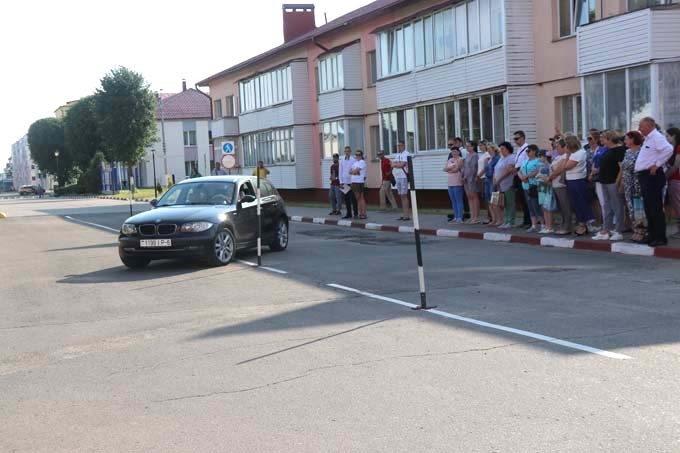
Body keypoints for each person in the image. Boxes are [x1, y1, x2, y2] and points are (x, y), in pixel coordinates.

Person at [635, 117, 674, 246]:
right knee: (649, 207)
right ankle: (652, 235)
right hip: (645, 175)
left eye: (641, 126)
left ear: (649, 126)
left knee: (655, 207)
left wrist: (657, 164)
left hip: (652, 175)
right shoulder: (648, 138)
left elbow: (669, 149)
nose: (639, 129)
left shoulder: (656, 136)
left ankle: (660, 237)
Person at [592, 130, 626, 241]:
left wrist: (617, 182)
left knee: (617, 206)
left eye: (603, 138)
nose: (601, 140)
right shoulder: (607, 150)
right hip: (604, 181)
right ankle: (606, 229)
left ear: (610, 139)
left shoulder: (619, 150)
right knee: (606, 206)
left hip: (613, 181)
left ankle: (618, 230)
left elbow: (621, 168)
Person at [563, 135, 595, 235]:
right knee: (576, 204)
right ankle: (582, 223)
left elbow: (566, 166)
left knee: (581, 203)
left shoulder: (579, 153)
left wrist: (567, 155)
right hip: (571, 180)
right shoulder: (575, 153)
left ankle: (585, 223)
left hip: (577, 180)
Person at [619, 131, 645, 242]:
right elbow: (624, 168)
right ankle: (635, 229)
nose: (624, 141)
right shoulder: (628, 152)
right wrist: (622, 183)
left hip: (638, 184)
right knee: (630, 208)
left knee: (640, 208)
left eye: (626, 139)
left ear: (633, 139)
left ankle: (642, 231)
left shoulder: (642, 151)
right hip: (628, 184)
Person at [547, 139, 574, 235]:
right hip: (555, 184)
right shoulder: (557, 157)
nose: (556, 148)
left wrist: (550, 178)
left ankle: (567, 227)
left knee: (565, 206)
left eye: (558, 147)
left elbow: (559, 169)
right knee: (561, 207)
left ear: (563, 147)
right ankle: (563, 225)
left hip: (561, 184)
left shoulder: (565, 156)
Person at [518, 145, 543, 232]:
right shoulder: (525, 161)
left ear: (534, 151)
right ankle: (533, 225)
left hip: (533, 185)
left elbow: (537, 171)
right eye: (527, 151)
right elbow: (519, 171)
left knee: (536, 205)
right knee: (530, 206)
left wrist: (527, 176)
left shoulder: (538, 161)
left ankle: (542, 224)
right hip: (525, 186)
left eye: (529, 151)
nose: (527, 152)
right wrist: (522, 177)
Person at [493, 142, 517, 229]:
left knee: (510, 203)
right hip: (500, 184)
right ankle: (506, 220)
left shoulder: (511, 158)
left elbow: (508, 171)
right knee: (504, 203)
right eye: (500, 149)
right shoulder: (501, 158)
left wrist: (498, 180)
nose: (501, 150)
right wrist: (495, 180)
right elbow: (496, 170)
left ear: (507, 148)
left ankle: (511, 221)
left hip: (508, 183)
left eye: (502, 148)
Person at [513, 130, 531, 227]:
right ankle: (525, 220)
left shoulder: (526, 149)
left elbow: (527, 163)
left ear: (523, 138)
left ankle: (529, 221)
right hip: (518, 174)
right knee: (521, 199)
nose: (515, 141)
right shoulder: (520, 149)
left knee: (526, 199)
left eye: (517, 138)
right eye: (514, 139)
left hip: (523, 174)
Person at [536, 150, 556, 234]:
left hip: (546, 189)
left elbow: (549, 181)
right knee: (544, 208)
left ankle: (550, 226)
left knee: (548, 208)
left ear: (544, 157)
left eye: (540, 156)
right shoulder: (542, 166)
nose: (539, 158)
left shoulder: (548, 166)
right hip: (541, 189)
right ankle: (547, 226)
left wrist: (540, 176)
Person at [443, 147, 465, 223]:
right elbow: (444, 169)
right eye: (452, 152)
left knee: (459, 200)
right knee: (453, 201)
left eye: (455, 151)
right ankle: (455, 216)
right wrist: (451, 168)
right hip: (450, 183)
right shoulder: (450, 160)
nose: (454, 153)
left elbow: (456, 169)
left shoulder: (461, 159)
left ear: (458, 152)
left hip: (457, 182)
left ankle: (460, 217)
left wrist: (449, 169)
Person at [666, 127, 680, 239]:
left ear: (674, 136)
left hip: (676, 179)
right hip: (674, 179)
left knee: (677, 204)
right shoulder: (673, 148)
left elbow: (676, 165)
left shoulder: (678, 147)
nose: (666, 138)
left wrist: (665, 176)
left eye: (668, 135)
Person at [391, 141, 411, 221]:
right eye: (397, 146)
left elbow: (402, 165)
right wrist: (397, 164)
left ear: (403, 145)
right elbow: (392, 164)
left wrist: (397, 164)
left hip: (403, 177)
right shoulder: (397, 155)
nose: (398, 147)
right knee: (401, 196)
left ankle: (406, 215)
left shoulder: (406, 154)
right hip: (398, 177)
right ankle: (404, 214)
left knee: (404, 195)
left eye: (400, 145)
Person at [463, 140, 481, 224]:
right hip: (466, 179)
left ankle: (476, 217)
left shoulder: (475, 155)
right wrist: (463, 176)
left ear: (473, 146)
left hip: (472, 179)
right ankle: (472, 216)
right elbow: (465, 167)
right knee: (469, 197)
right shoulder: (467, 155)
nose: (467, 147)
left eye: (468, 146)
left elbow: (473, 168)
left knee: (474, 197)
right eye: (466, 146)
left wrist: (467, 177)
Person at [484, 143, 501, 225]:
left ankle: (499, 220)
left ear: (494, 149)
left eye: (489, 148)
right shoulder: (488, 159)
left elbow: (495, 170)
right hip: (487, 181)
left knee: (494, 201)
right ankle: (493, 219)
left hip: (493, 180)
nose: (488, 150)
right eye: (487, 148)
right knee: (489, 201)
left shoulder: (497, 158)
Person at [340, 146, 358, 219]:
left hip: (352, 182)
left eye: (348, 151)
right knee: (346, 198)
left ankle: (356, 213)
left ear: (350, 152)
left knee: (353, 198)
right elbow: (340, 172)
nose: (347, 152)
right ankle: (348, 213)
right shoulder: (341, 160)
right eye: (345, 151)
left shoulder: (353, 160)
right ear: (344, 152)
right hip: (344, 182)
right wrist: (341, 182)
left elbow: (355, 170)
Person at [350, 150, 367, 219]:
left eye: (359, 155)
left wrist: (354, 172)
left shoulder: (362, 162)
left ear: (361, 155)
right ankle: (361, 213)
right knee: (358, 198)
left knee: (360, 198)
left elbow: (355, 171)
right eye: (356, 155)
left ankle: (363, 213)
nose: (357, 156)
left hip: (359, 182)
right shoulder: (355, 163)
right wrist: (354, 172)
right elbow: (350, 171)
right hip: (354, 182)